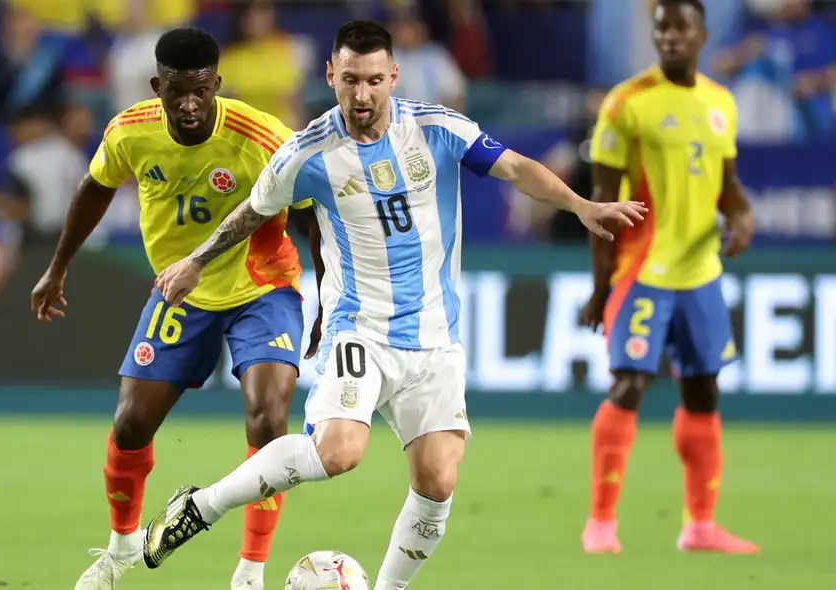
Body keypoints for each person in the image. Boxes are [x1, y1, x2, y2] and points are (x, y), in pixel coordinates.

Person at [140, 20, 645, 589]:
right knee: (338, 451)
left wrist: (579, 205)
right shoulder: (306, 153)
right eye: (350, 80)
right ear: (330, 75)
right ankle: (202, 506)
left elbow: (515, 167)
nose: (362, 95)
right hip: (361, 329)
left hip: (435, 336)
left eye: (375, 80)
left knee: (438, 478)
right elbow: (251, 212)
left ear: (393, 77)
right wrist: (197, 261)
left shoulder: (437, 128)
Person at [30, 27, 314, 590]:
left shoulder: (263, 137)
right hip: (180, 292)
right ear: (157, 86)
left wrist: (331, 296)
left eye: (200, 91)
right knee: (131, 423)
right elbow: (94, 187)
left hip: (263, 289)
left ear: (218, 85)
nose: (188, 103)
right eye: (176, 91)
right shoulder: (130, 132)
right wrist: (57, 267)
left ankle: (250, 571)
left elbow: (311, 215)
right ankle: (121, 548)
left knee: (269, 421)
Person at [579, 0, 758, 555]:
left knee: (703, 391)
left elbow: (725, 182)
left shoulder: (720, 101)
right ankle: (601, 523)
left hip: (701, 273)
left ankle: (700, 524)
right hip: (643, 271)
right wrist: (601, 285)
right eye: (662, 30)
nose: (671, 37)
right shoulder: (627, 103)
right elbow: (603, 202)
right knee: (631, 383)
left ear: (702, 34)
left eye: (682, 28)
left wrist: (743, 212)